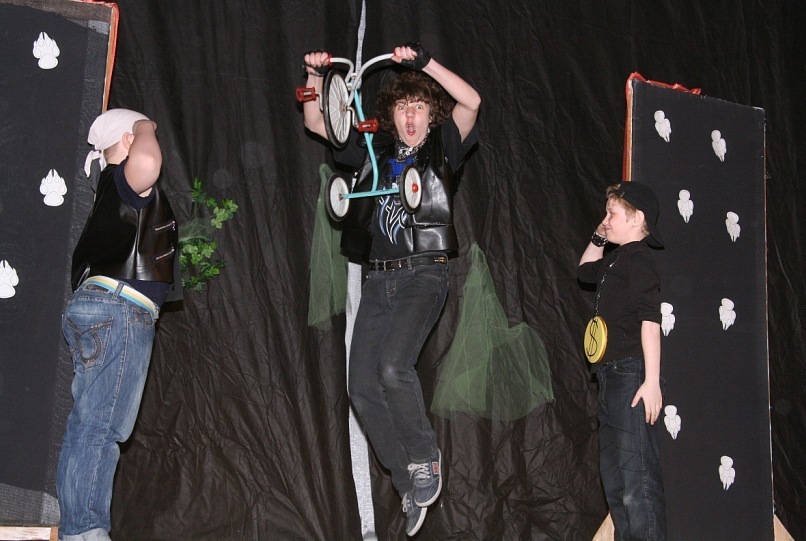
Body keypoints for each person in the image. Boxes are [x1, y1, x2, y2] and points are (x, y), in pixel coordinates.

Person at [302, 43, 480, 536]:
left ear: (431, 114)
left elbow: (472, 102)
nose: (410, 116)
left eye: (419, 106)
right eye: (402, 107)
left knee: (392, 366)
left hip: (424, 274)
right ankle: (407, 481)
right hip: (379, 279)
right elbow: (317, 123)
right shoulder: (374, 149)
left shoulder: (443, 146)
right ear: (391, 116)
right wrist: (314, 77)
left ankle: (425, 457)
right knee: (360, 386)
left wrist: (425, 64)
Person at [57, 108, 181, 541]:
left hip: (101, 308)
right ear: (128, 141)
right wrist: (146, 125)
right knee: (100, 427)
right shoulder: (124, 180)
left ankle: (80, 529)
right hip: (118, 310)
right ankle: (85, 532)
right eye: (143, 134)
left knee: (90, 424)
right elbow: (147, 162)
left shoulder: (112, 193)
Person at [578, 181, 667, 540]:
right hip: (608, 378)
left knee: (637, 483)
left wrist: (651, 380)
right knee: (615, 483)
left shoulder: (640, 260)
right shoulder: (614, 260)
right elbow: (584, 269)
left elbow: (650, 321)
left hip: (631, 376)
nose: (606, 219)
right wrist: (599, 235)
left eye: (612, 213)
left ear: (637, 218)